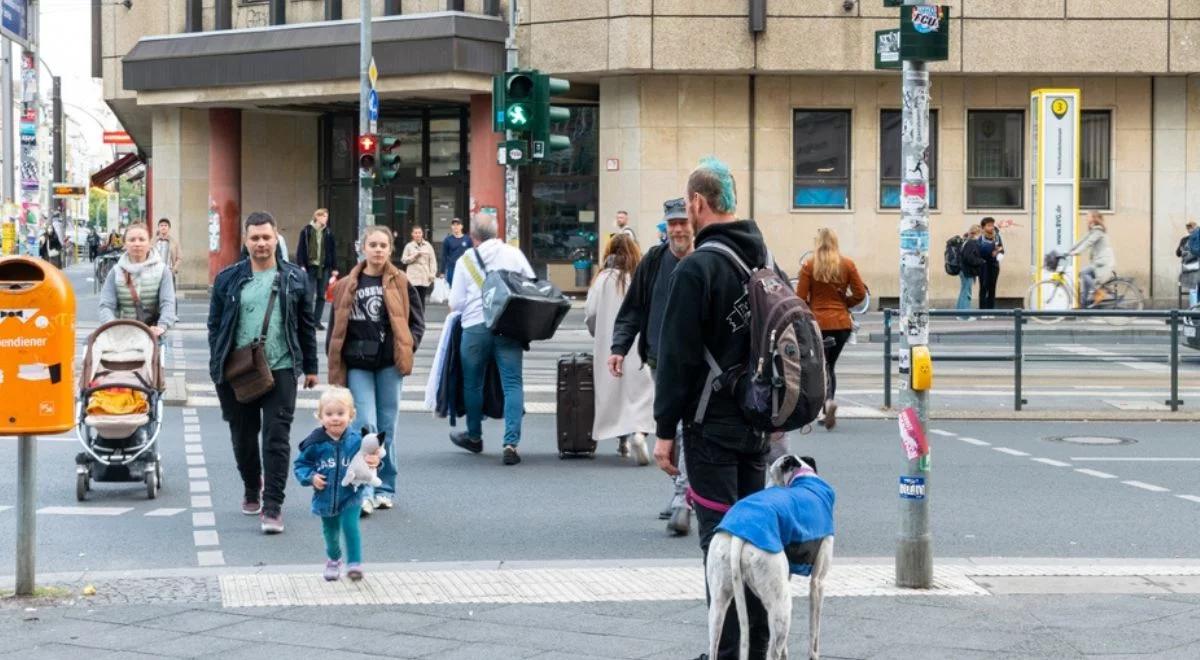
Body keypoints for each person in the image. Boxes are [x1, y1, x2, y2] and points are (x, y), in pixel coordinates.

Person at [653, 157, 772, 658]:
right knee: (756, 545)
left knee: (720, 545)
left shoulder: (696, 268)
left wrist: (664, 431)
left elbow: (676, 358)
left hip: (710, 428)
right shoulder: (762, 259)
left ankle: (724, 652)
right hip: (759, 423)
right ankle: (758, 648)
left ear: (698, 204)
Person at [208, 211, 319, 534]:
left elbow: (305, 326)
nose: (260, 243)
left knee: (276, 438)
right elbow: (215, 325)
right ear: (246, 241)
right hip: (237, 370)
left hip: (281, 368)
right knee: (243, 437)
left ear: (276, 239)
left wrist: (310, 367)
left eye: (266, 237)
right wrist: (219, 362)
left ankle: (272, 505)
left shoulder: (295, 278)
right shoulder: (228, 278)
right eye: (254, 238)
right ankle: (251, 487)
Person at [326, 225, 425, 515]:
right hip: (357, 366)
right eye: (373, 244)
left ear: (391, 249)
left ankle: (385, 487)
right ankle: (365, 489)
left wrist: (408, 345)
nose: (378, 249)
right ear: (363, 247)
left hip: (389, 365)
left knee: (386, 428)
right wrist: (333, 362)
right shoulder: (346, 283)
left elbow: (416, 322)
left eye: (383, 245)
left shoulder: (400, 281)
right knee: (365, 427)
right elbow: (334, 329)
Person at [611, 197, 695, 534]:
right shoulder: (654, 260)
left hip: (700, 362)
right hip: (661, 359)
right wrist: (619, 346)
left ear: (694, 224)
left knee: (689, 425)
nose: (677, 229)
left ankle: (683, 496)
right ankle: (684, 491)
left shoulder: (706, 257)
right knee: (671, 424)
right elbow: (633, 308)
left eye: (683, 223)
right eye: (672, 223)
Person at [447, 214, 534, 466]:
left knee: (472, 383)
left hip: (475, 326)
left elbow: (456, 302)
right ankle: (510, 443)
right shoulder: (513, 254)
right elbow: (530, 284)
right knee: (512, 384)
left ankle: (474, 436)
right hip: (507, 325)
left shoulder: (466, 259)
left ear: (473, 237)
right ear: (498, 232)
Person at [292, 387, 380, 582]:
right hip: (325, 497)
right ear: (320, 416)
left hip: (351, 495)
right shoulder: (315, 443)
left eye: (341, 413)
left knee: (350, 526)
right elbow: (301, 465)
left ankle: (354, 564)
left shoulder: (357, 440)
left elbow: (371, 458)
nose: (335, 418)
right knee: (331, 533)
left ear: (351, 415)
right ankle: (334, 559)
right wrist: (311, 477)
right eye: (329, 414)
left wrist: (375, 462)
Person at [585, 233, 653, 465]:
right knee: (642, 394)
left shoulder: (602, 279)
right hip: (637, 345)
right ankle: (640, 434)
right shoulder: (638, 277)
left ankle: (622, 441)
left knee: (615, 395)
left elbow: (591, 314)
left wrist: (598, 333)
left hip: (610, 347)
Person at [795, 227, 866, 431]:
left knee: (820, 366)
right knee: (830, 365)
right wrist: (845, 302)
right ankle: (829, 403)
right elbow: (860, 294)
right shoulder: (847, 264)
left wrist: (811, 309)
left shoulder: (809, 266)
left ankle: (825, 405)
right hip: (841, 323)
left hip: (818, 323)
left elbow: (800, 298)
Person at [98, 223, 178, 337]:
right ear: (125, 244)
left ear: (149, 243)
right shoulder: (115, 272)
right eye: (132, 240)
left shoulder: (163, 271)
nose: (137, 243)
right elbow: (106, 305)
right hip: (121, 334)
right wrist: (112, 324)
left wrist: (162, 326)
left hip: (153, 335)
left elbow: (168, 303)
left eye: (142, 239)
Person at [296, 208, 337, 330]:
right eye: (324, 216)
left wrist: (334, 267)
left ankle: (316, 321)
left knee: (321, 295)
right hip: (310, 267)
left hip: (323, 268)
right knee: (308, 295)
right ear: (317, 217)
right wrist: (301, 265)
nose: (326, 219)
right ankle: (307, 320)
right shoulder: (306, 231)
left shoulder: (328, 233)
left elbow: (332, 251)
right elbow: (301, 249)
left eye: (327, 216)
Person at [1067, 211, 1116, 306]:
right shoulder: (1093, 230)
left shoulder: (1098, 231)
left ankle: (1098, 292)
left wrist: (1076, 252)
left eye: (1088, 216)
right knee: (1085, 275)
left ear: (1094, 218)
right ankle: (1083, 303)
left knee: (1083, 273)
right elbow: (1082, 240)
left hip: (1103, 262)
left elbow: (1088, 243)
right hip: (1098, 262)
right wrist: (1069, 250)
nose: (1086, 218)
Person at [401, 225, 437, 307]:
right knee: (413, 299)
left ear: (422, 234)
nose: (417, 235)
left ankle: (421, 318)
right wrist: (415, 256)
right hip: (413, 276)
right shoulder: (409, 246)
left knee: (422, 299)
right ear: (412, 234)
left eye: (419, 233)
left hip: (424, 275)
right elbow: (404, 260)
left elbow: (432, 261)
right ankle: (414, 318)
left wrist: (432, 274)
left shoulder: (428, 245)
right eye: (415, 233)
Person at [957, 225, 986, 319]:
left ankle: (959, 314)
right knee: (967, 293)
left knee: (963, 292)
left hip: (963, 270)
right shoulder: (972, 243)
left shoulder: (966, 241)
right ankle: (964, 316)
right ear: (978, 233)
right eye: (981, 233)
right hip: (967, 271)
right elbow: (969, 258)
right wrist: (981, 261)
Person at [978, 216, 1004, 310]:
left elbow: (1001, 249)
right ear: (983, 227)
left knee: (992, 287)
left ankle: (991, 310)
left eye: (992, 225)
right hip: (983, 265)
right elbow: (979, 251)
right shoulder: (980, 237)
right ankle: (982, 310)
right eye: (989, 225)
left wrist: (998, 253)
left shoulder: (997, 237)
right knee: (984, 287)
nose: (991, 227)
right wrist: (992, 251)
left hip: (994, 265)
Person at [440, 218, 472, 285]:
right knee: (452, 289)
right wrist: (442, 272)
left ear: (461, 226)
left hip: (465, 268)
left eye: (458, 224)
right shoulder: (447, 240)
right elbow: (444, 256)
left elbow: (472, 255)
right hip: (452, 268)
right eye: (454, 225)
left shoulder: (468, 239)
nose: (456, 226)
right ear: (451, 227)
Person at [154, 218, 182, 282]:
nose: (163, 227)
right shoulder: (153, 242)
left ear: (169, 228)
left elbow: (179, 258)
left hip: (169, 272)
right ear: (158, 228)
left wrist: (174, 269)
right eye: (161, 225)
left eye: (165, 225)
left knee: (170, 291)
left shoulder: (174, 243)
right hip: (156, 273)